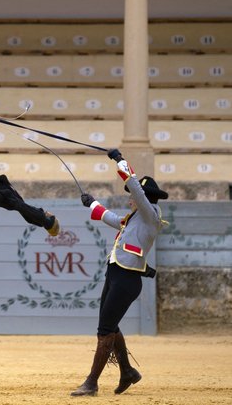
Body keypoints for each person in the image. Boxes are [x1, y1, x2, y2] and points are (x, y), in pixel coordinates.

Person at [71, 148, 168, 397]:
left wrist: (120, 161)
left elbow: (135, 188)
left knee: (105, 329)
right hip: (116, 274)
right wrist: (92, 203)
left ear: (144, 197)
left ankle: (92, 382)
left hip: (126, 278)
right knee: (110, 326)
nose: (130, 200)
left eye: (134, 197)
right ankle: (127, 372)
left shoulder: (150, 214)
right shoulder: (136, 217)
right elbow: (112, 218)